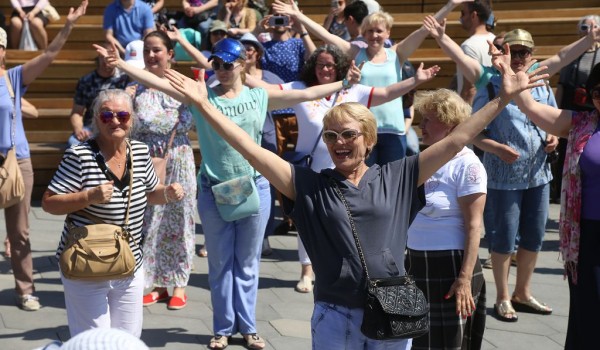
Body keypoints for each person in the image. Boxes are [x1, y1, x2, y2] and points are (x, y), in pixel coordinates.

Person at [164, 42, 545, 350]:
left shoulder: (399, 175)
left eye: (349, 134)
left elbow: (459, 139)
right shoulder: (309, 184)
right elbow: (249, 146)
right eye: (331, 136)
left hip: (395, 306)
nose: (339, 143)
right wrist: (204, 105)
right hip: (335, 315)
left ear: (369, 139)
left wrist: (504, 99)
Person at [97, 37, 363, 349]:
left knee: (248, 263)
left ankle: (248, 328)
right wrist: (121, 65)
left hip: (254, 187)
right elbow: (157, 80)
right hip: (214, 189)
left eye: (228, 64)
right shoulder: (201, 96)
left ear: (242, 64)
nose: (221, 69)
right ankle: (222, 329)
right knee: (221, 264)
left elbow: (304, 93)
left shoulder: (259, 95)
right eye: (217, 64)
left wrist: (343, 83)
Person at [248, 44, 439, 293]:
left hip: (350, 171)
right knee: (308, 221)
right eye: (320, 65)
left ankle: (350, 271)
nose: (325, 69)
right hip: (314, 169)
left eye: (330, 65)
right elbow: (267, 90)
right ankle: (307, 271)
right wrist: (239, 74)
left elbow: (386, 92)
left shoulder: (355, 90)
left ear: (338, 67)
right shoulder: (299, 88)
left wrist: (415, 80)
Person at [41, 88, 185, 337]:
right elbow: (49, 202)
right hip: (86, 262)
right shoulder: (79, 155)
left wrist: (167, 193)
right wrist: (89, 196)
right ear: (96, 119)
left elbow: (150, 193)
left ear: (132, 119)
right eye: (107, 115)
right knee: (94, 339)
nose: (115, 121)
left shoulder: (139, 152)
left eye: (122, 115)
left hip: (129, 260)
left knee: (128, 339)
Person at [272, 0, 472, 166]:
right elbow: (326, 36)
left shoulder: (397, 54)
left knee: (394, 184)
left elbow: (423, 29)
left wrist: (451, 4)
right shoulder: (355, 53)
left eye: (379, 31)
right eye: (369, 31)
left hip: (393, 131)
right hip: (364, 131)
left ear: (387, 33)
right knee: (365, 183)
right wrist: (298, 15)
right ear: (363, 33)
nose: (374, 35)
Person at [0, 1, 88, 312]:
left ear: (3, 50)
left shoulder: (12, 78)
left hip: (15, 162)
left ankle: (25, 289)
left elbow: (49, 56)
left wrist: (69, 25)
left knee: (20, 232)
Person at [512, 61, 600, 350]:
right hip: (587, 235)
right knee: (588, 310)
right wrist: (514, 81)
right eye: (597, 91)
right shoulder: (581, 124)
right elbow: (533, 109)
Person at [122, 31, 197, 311]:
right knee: (149, 220)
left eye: (157, 51)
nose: (151, 56)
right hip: (144, 159)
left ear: (170, 54)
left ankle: (179, 283)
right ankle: (153, 282)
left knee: (179, 218)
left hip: (176, 156)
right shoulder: (136, 87)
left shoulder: (182, 84)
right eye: (147, 51)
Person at [407, 88, 487, 349]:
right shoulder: (423, 159)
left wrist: (464, 278)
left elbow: (474, 226)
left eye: (429, 119)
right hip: (417, 263)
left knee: (450, 343)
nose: (422, 125)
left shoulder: (468, 165)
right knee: (417, 341)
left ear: (450, 123)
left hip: (451, 266)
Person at [552, 15, 600, 203]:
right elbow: (562, 85)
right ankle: (562, 191)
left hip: (594, 108)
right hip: (573, 108)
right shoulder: (572, 55)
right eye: (585, 27)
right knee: (567, 151)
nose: (590, 31)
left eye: (594, 26)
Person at [68, 43, 129, 146]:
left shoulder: (125, 79)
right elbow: (77, 112)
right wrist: (79, 130)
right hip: (92, 126)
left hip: (118, 123)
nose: (106, 62)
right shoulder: (86, 81)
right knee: (74, 142)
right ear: (98, 58)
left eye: (109, 58)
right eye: (103, 58)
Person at [456, 0, 495, 104]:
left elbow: (470, 88)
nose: (460, 18)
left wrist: (463, 117)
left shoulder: (468, 45)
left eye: (463, 13)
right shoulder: (495, 40)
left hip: (477, 108)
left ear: (473, 15)